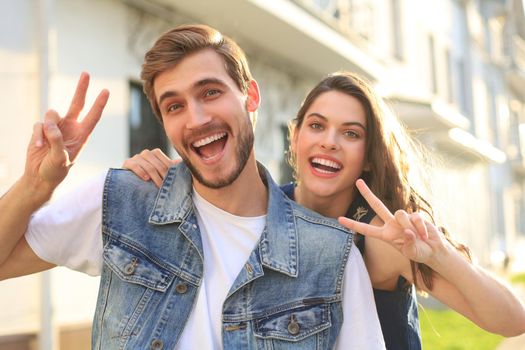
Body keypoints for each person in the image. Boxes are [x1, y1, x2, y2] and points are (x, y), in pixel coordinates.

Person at [0, 25, 386, 349]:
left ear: (250, 96)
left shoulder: (331, 258)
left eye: (210, 93)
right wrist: (37, 184)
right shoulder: (123, 202)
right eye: (174, 106)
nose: (196, 119)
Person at [125, 71, 525, 349]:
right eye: (317, 126)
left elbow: (512, 321)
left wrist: (439, 254)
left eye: (350, 133)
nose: (330, 142)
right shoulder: (260, 214)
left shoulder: (380, 240)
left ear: (368, 157)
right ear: (295, 136)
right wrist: (149, 176)